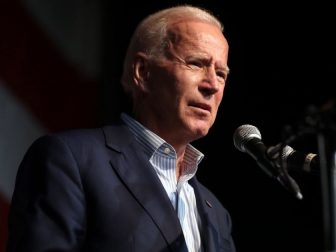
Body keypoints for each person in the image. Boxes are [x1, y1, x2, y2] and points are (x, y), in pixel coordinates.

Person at [6, 4, 235, 252]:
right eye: (195, 63)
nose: (212, 84)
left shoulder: (216, 215)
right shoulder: (71, 160)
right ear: (143, 72)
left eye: (221, 73)